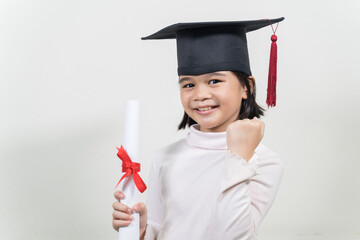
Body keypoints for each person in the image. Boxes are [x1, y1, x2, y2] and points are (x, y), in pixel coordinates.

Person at [112, 17, 285, 240]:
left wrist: (239, 157)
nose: (200, 95)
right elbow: (162, 230)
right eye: (189, 84)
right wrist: (142, 230)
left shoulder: (264, 161)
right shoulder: (165, 157)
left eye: (214, 81)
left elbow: (232, 235)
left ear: (246, 87)